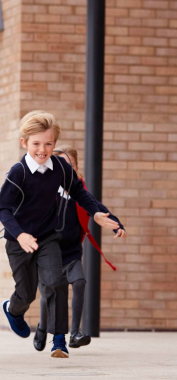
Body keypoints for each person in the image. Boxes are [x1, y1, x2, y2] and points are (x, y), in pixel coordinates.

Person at [0, 111, 121, 358]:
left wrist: (95, 213)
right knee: (27, 293)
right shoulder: (18, 172)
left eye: (49, 144)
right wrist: (20, 235)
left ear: (54, 143)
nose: (43, 150)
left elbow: (79, 192)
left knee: (56, 282)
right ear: (24, 143)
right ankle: (13, 309)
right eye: (36, 144)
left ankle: (59, 340)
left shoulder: (61, 168)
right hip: (19, 241)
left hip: (48, 237)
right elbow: (3, 208)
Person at [34, 146, 126, 351]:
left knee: (79, 282)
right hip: (49, 253)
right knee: (49, 294)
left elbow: (100, 209)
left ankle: (74, 333)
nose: (67, 170)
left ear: (76, 169)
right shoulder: (46, 191)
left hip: (72, 252)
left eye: (71, 166)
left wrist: (117, 225)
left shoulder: (80, 193)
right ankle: (41, 327)